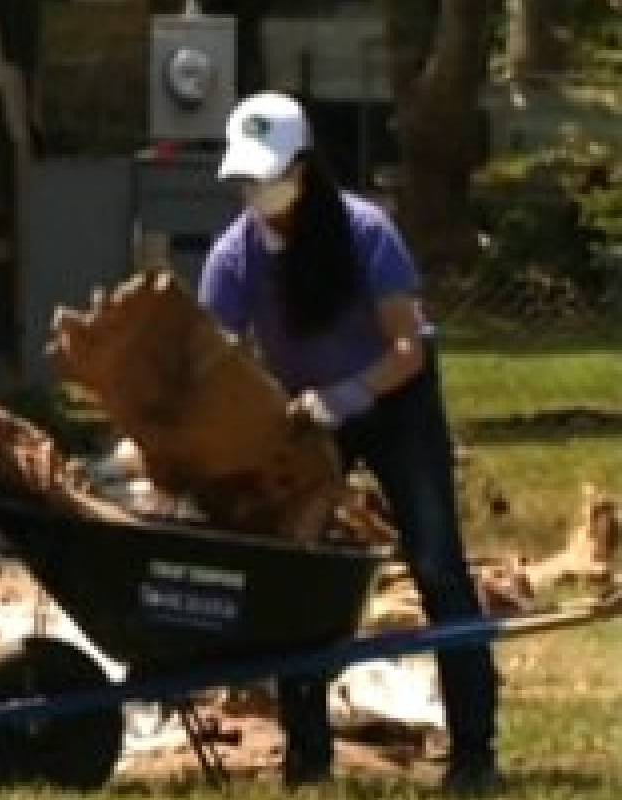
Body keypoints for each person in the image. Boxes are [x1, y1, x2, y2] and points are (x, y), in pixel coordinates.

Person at [198, 91, 499, 792]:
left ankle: (476, 750)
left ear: (304, 167)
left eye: (271, 175)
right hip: (306, 419)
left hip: (396, 405)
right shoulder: (233, 258)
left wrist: (348, 396)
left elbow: (407, 349)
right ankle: (307, 756)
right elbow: (216, 360)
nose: (259, 192)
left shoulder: (366, 233)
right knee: (295, 571)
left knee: (437, 567)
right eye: (247, 179)